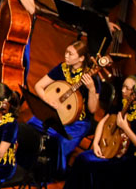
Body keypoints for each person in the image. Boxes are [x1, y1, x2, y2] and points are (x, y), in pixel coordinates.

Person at [50, 76, 136, 189]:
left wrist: (125, 127)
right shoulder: (121, 103)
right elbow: (102, 122)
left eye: (127, 88)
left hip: (133, 159)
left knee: (94, 165)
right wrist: (96, 143)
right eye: (123, 86)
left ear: (135, 93)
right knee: (81, 158)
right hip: (113, 147)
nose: (122, 90)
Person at [30, 39, 103, 178]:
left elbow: (93, 110)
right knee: (32, 124)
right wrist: (48, 100)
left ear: (81, 58)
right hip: (57, 113)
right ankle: (29, 162)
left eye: (70, 54)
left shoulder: (92, 79)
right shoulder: (62, 68)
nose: (66, 56)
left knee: (59, 141)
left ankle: (49, 174)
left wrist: (92, 90)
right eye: (66, 52)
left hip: (78, 122)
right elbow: (38, 86)